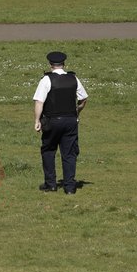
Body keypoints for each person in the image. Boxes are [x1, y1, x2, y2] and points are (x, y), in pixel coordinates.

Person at [33, 51, 88, 194]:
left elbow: (39, 102)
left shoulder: (46, 80)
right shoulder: (73, 78)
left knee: (49, 151)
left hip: (52, 121)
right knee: (69, 153)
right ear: (64, 64)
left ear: (50, 65)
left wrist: (37, 120)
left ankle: (51, 184)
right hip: (70, 121)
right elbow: (83, 99)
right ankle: (70, 187)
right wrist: (77, 112)